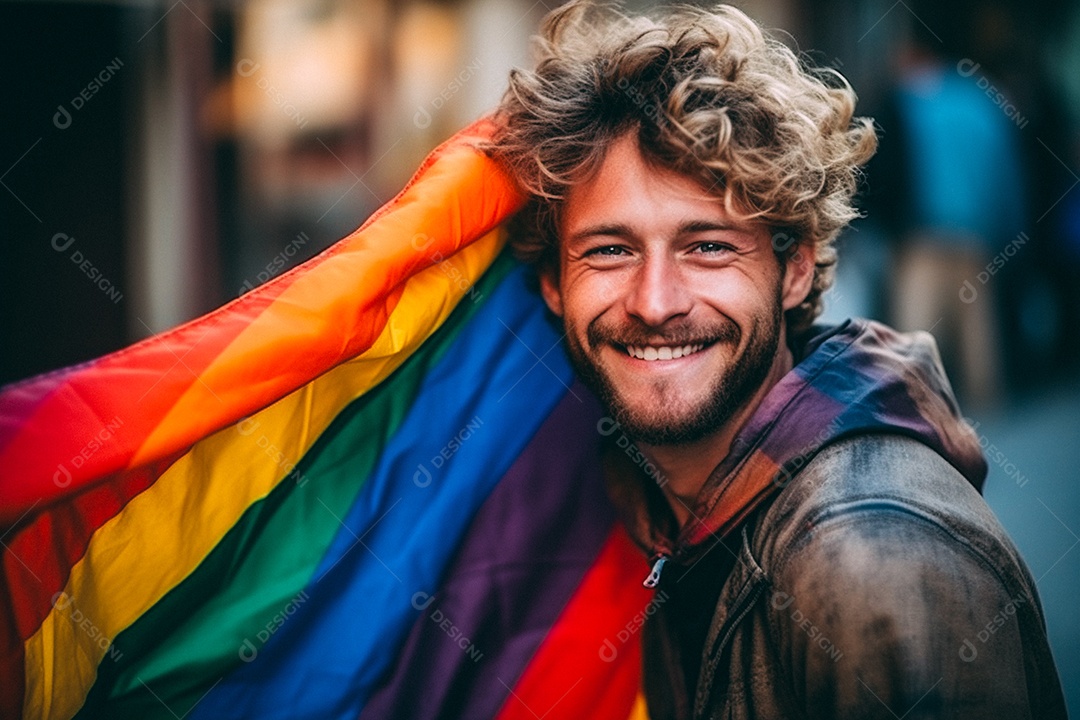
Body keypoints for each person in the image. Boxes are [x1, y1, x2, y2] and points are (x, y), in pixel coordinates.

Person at [489, 2, 1066, 718]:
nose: (655, 302)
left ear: (794, 268)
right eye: (609, 249)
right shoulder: (656, 508)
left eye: (708, 246)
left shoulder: (874, 560)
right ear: (553, 283)